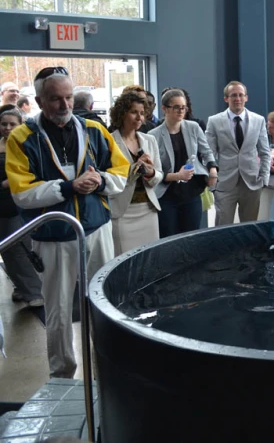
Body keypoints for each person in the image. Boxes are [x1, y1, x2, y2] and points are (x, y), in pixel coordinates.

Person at [6, 66, 129, 378]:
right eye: (55, 99)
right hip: (53, 235)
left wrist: (99, 181)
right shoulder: (22, 138)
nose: (64, 105)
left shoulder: (93, 130)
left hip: (96, 228)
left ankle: (108, 365)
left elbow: (121, 172)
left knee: (103, 300)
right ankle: (62, 374)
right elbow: (23, 193)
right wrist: (68, 186)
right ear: (39, 100)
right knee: (59, 309)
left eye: (69, 97)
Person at [149, 89, 217, 238]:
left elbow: (206, 151)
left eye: (183, 107)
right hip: (167, 194)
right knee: (169, 238)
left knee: (191, 238)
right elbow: (153, 171)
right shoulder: (153, 135)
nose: (181, 111)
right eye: (176, 107)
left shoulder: (193, 127)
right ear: (164, 108)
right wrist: (176, 175)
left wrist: (212, 169)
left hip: (191, 192)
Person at [205, 81, 271, 226]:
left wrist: (264, 178)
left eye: (241, 95)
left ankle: (248, 250)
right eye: (233, 95)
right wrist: (212, 180)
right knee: (222, 226)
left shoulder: (258, 120)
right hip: (224, 183)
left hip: (252, 183)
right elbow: (208, 153)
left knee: (250, 227)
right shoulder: (214, 121)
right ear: (226, 98)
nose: (237, 99)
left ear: (246, 98)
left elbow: (265, 152)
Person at [108, 90, 163, 254]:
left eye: (142, 113)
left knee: (149, 258)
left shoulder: (149, 140)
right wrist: (133, 170)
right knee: (124, 260)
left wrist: (150, 173)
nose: (139, 118)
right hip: (123, 212)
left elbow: (159, 174)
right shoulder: (109, 141)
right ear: (122, 113)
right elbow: (109, 180)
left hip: (148, 210)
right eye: (134, 112)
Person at [0, 107, 42, 306]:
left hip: (19, 205)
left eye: (12, 124)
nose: (7, 128)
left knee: (20, 248)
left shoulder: (26, 145)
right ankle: (21, 287)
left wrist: (9, 182)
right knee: (7, 250)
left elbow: (31, 174)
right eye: (4, 124)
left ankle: (35, 292)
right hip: (2, 206)